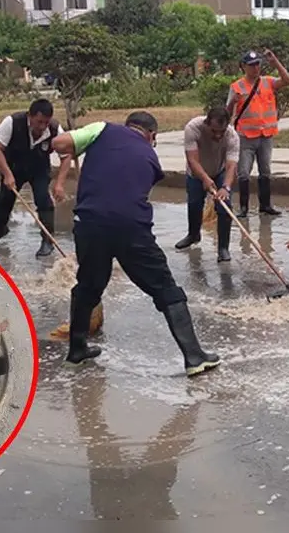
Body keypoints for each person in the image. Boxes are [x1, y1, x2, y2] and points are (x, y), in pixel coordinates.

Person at [50, 111, 221, 377]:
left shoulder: (101, 129)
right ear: (151, 134)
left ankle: (76, 351)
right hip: (131, 229)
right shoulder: (151, 158)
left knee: (88, 286)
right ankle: (194, 356)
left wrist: (80, 148)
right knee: (165, 289)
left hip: (89, 223)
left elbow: (59, 143)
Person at [0, 98, 69, 258]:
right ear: (30, 116)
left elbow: (66, 156)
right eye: (39, 122)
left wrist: (60, 184)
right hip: (13, 167)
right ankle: (0, 229)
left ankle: (47, 241)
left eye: (46, 122)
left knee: (43, 200)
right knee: (4, 199)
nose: (42, 127)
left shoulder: (54, 129)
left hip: (39, 168)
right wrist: (8, 174)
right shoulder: (12, 122)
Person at [226, 48, 289, 218]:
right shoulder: (237, 86)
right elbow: (227, 113)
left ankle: (265, 206)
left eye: (257, 64)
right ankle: (244, 208)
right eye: (252, 65)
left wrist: (275, 62)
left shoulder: (267, 82)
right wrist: (232, 103)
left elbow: (287, 81)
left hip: (266, 135)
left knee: (265, 171)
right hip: (245, 137)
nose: (255, 68)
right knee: (244, 173)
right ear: (243, 67)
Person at [174, 107, 239, 263]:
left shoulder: (232, 136)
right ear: (206, 123)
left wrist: (225, 187)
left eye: (221, 132)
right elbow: (192, 160)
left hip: (219, 171)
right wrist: (204, 178)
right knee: (195, 204)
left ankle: (223, 248)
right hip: (196, 172)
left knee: (225, 207)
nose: (218, 135)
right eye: (214, 131)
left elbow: (231, 166)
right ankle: (193, 235)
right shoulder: (193, 128)